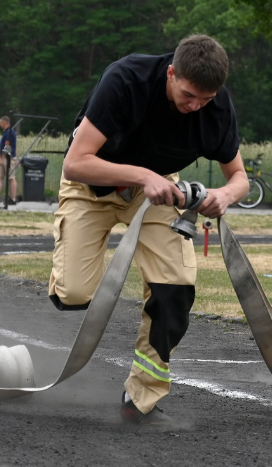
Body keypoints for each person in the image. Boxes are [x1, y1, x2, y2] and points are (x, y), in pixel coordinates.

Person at [48, 34, 247, 426]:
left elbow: (237, 175)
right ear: (171, 73)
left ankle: (140, 400)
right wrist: (142, 175)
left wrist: (225, 195)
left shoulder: (216, 106)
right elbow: (75, 163)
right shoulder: (125, 81)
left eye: (206, 100)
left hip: (160, 193)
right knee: (73, 295)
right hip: (93, 187)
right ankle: (66, 278)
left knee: (175, 290)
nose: (196, 107)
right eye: (189, 95)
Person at [0, 115, 19, 205]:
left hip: (8, 157)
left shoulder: (9, 133)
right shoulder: (6, 133)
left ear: (4, 123)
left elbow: (7, 146)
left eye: (0, 123)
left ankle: (13, 198)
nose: (0, 125)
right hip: (3, 157)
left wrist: (2, 158)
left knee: (11, 178)